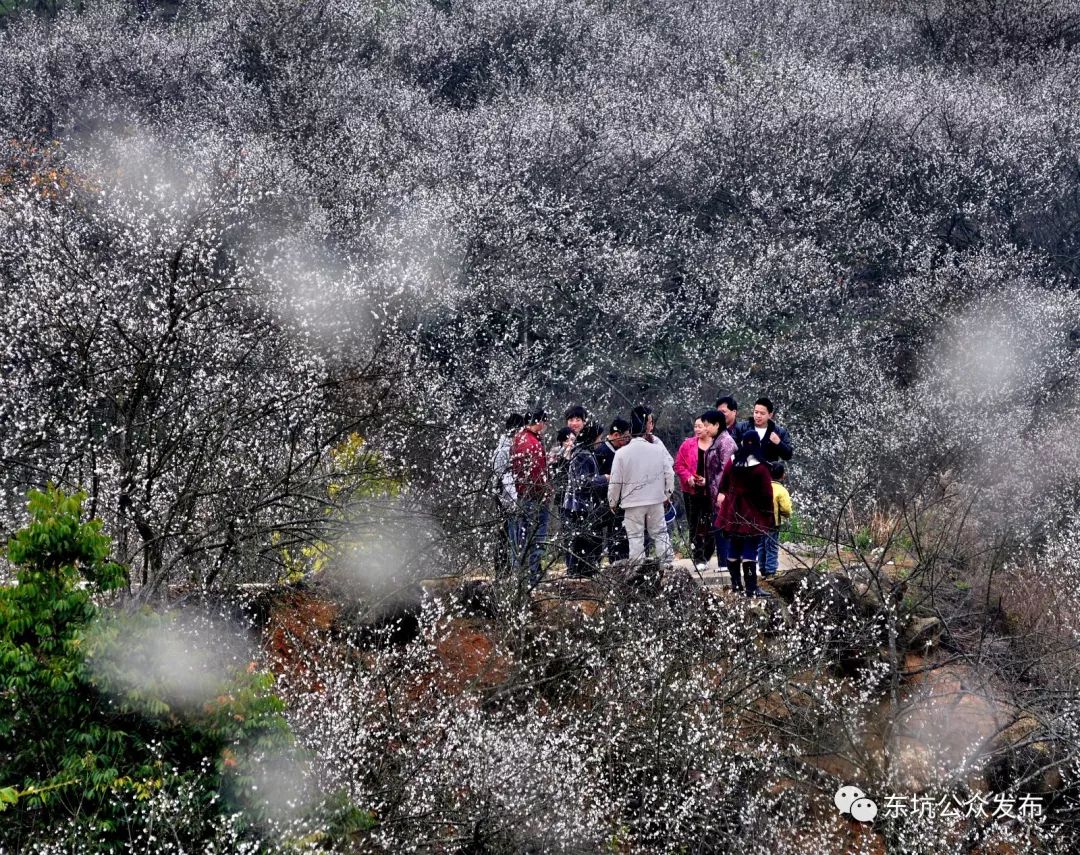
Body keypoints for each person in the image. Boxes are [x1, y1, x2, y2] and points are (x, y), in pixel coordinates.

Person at [609, 407, 675, 566]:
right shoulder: (657, 449)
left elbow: (615, 481)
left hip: (632, 502)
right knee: (660, 532)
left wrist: (612, 501)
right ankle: (666, 564)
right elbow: (670, 473)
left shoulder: (621, 453)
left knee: (635, 536)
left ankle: (637, 565)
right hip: (655, 499)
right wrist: (668, 494)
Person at [715, 430, 774, 598]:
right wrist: (768, 515)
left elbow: (723, 484)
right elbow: (767, 494)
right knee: (750, 547)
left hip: (732, 511)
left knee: (734, 545)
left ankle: (736, 585)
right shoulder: (761, 468)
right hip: (752, 512)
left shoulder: (732, 462)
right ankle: (751, 588)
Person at [675, 410, 723, 568]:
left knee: (710, 523)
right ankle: (698, 557)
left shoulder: (717, 444)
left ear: (708, 427)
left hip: (710, 492)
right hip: (691, 492)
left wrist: (708, 480)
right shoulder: (687, 444)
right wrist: (688, 477)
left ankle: (708, 552)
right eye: (695, 426)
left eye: (701, 426)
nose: (697, 429)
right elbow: (679, 465)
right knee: (694, 524)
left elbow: (721, 469)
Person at [510, 410, 551, 586]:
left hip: (523, 494)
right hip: (535, 496)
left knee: (522, 536)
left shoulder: (519, 438)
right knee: (537, 537)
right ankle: (533, 575)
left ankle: (520, 574)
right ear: (540, 422)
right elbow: (536, 474)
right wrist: (545, 492)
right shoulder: (532, 443)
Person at [562, 422, 606, 577]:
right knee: (581, 542)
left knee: (579, 541)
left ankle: (579, 571)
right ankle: (578, 573)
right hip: (578, 506)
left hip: (578, 505)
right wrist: (603, 479)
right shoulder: (582, 454)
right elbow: (582, 482)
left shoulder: (580, 451)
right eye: (598, 438)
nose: (599, 441)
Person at [492, 412, 526, 572]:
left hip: (509, 494)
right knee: (504, 534)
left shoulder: (510, 446)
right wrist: (513, 501)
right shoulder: (504, 449)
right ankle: (502, 570)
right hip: (504, 496)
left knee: (507, 533)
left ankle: (507, 569)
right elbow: (502, 475)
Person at [595, 417, 631, 562]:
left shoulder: (621, 451)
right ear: (616, 435)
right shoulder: (601, 452)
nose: (627, 441)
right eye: (625, 437)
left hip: (620, 501)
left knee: (619, 537)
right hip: (605, 501)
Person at [733, 397, 793, 470]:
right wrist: (742, 444)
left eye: (762, 413)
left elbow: (788, 455)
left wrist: (779, 443)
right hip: (743, 473)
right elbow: (730, 450)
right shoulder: (741, 428)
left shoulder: (779, 432)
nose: (758, 416)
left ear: (770, 415)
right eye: (756, 412)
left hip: (767, 475)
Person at [757, 461, 792, 578]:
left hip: (759, 522)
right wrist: (785, 515)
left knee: (761, 546)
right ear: (783, 475)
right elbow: (786, 509)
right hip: (773, 523)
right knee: (771, 546)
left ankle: (762, 569)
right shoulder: (781, 490)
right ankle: (770, 572)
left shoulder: (761, 486)